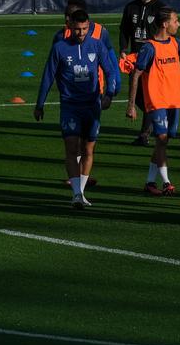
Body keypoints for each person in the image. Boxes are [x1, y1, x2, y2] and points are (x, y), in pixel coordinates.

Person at [34, 10, 120, 208]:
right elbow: (48, 76)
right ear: (70, 26)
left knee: (88, 149)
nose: (80, 33)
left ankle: (80, 192)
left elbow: (110, 71)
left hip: (92, 106)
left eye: (84, 29)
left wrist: (109, 94)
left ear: (88, 26)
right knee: (72, 148)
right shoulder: (60, 48)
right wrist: (40, 104)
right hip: (70, 106)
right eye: (77, 29)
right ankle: (76, 194)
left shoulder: (97, 45)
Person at [126, 7, 180, 196]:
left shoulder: (176, 43)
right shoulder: (149, 47)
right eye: (176, 20)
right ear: (165, 24)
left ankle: (149, 182)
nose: (178, 24)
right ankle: (167, 182)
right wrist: (131, 105)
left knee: (164, 142)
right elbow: (136, 74)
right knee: (161, 139)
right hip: (157, 102)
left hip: (174, 101)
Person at [56, 0, 115, 190]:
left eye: (70, 15)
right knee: (74, 140)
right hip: (72, 98)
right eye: (66, 16)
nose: (66, 19)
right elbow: (55, 69)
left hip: (93, 96)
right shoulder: (61, 38)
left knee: (86, 142)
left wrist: (111, 91)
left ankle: (80, 179)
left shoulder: (101, 33)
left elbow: (111, 62)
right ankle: (77, 182)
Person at [119, 0, 164, 146]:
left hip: (154, 59)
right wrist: (123, 49)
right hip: (135, 58)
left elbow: (166, 33)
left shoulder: (161, 8)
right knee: (137, 94)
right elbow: (124, 30)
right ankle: (154, 118)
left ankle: (144, 135)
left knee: (150, 95)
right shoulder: (131, 7)